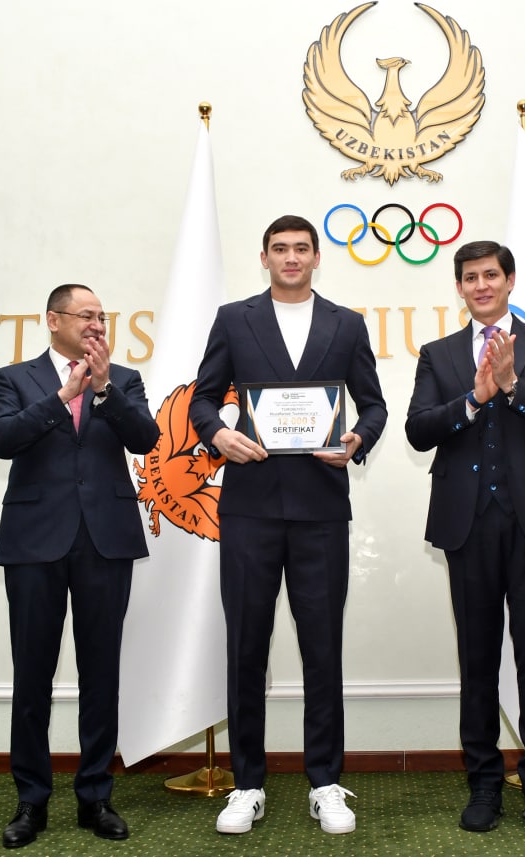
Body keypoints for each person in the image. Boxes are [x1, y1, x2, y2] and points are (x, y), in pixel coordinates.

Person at [189, 215, 387, 836]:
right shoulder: (234, 319)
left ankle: (325, 782)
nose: (291, 257)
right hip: (249, 509)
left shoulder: (346, 324)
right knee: (245, 649)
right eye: (280, 249)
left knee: (322, 649)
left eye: (302, 248)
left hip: (321, 510)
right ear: (265, 257)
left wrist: (357, 438)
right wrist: (218, 434)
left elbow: (374, 404)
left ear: (317, 257)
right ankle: (247, 785)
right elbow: (202, 398)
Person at [405, 240, 525, 837]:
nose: (481, 285)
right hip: (468, 523)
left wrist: (512, 387)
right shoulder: (438, 354)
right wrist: (475, 398)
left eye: (490, 275)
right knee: (477, 660)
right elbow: (419, 430)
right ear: (459, 287)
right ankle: (483, 783)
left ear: (509, 281)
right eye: (470, 277)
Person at [0, 284, 160, 849]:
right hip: (34, 541)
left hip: (105, 540)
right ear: (53, 320)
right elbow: (2, 439)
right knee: (32, 675)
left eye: (102, 317)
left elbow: (146, 438)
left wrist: (103, 388)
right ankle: (31, 800)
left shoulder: (123, 379)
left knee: (101, 674)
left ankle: (95, 797)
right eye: (85, 315)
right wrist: (63, 396)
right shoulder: (15, 378)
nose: (96, 325)